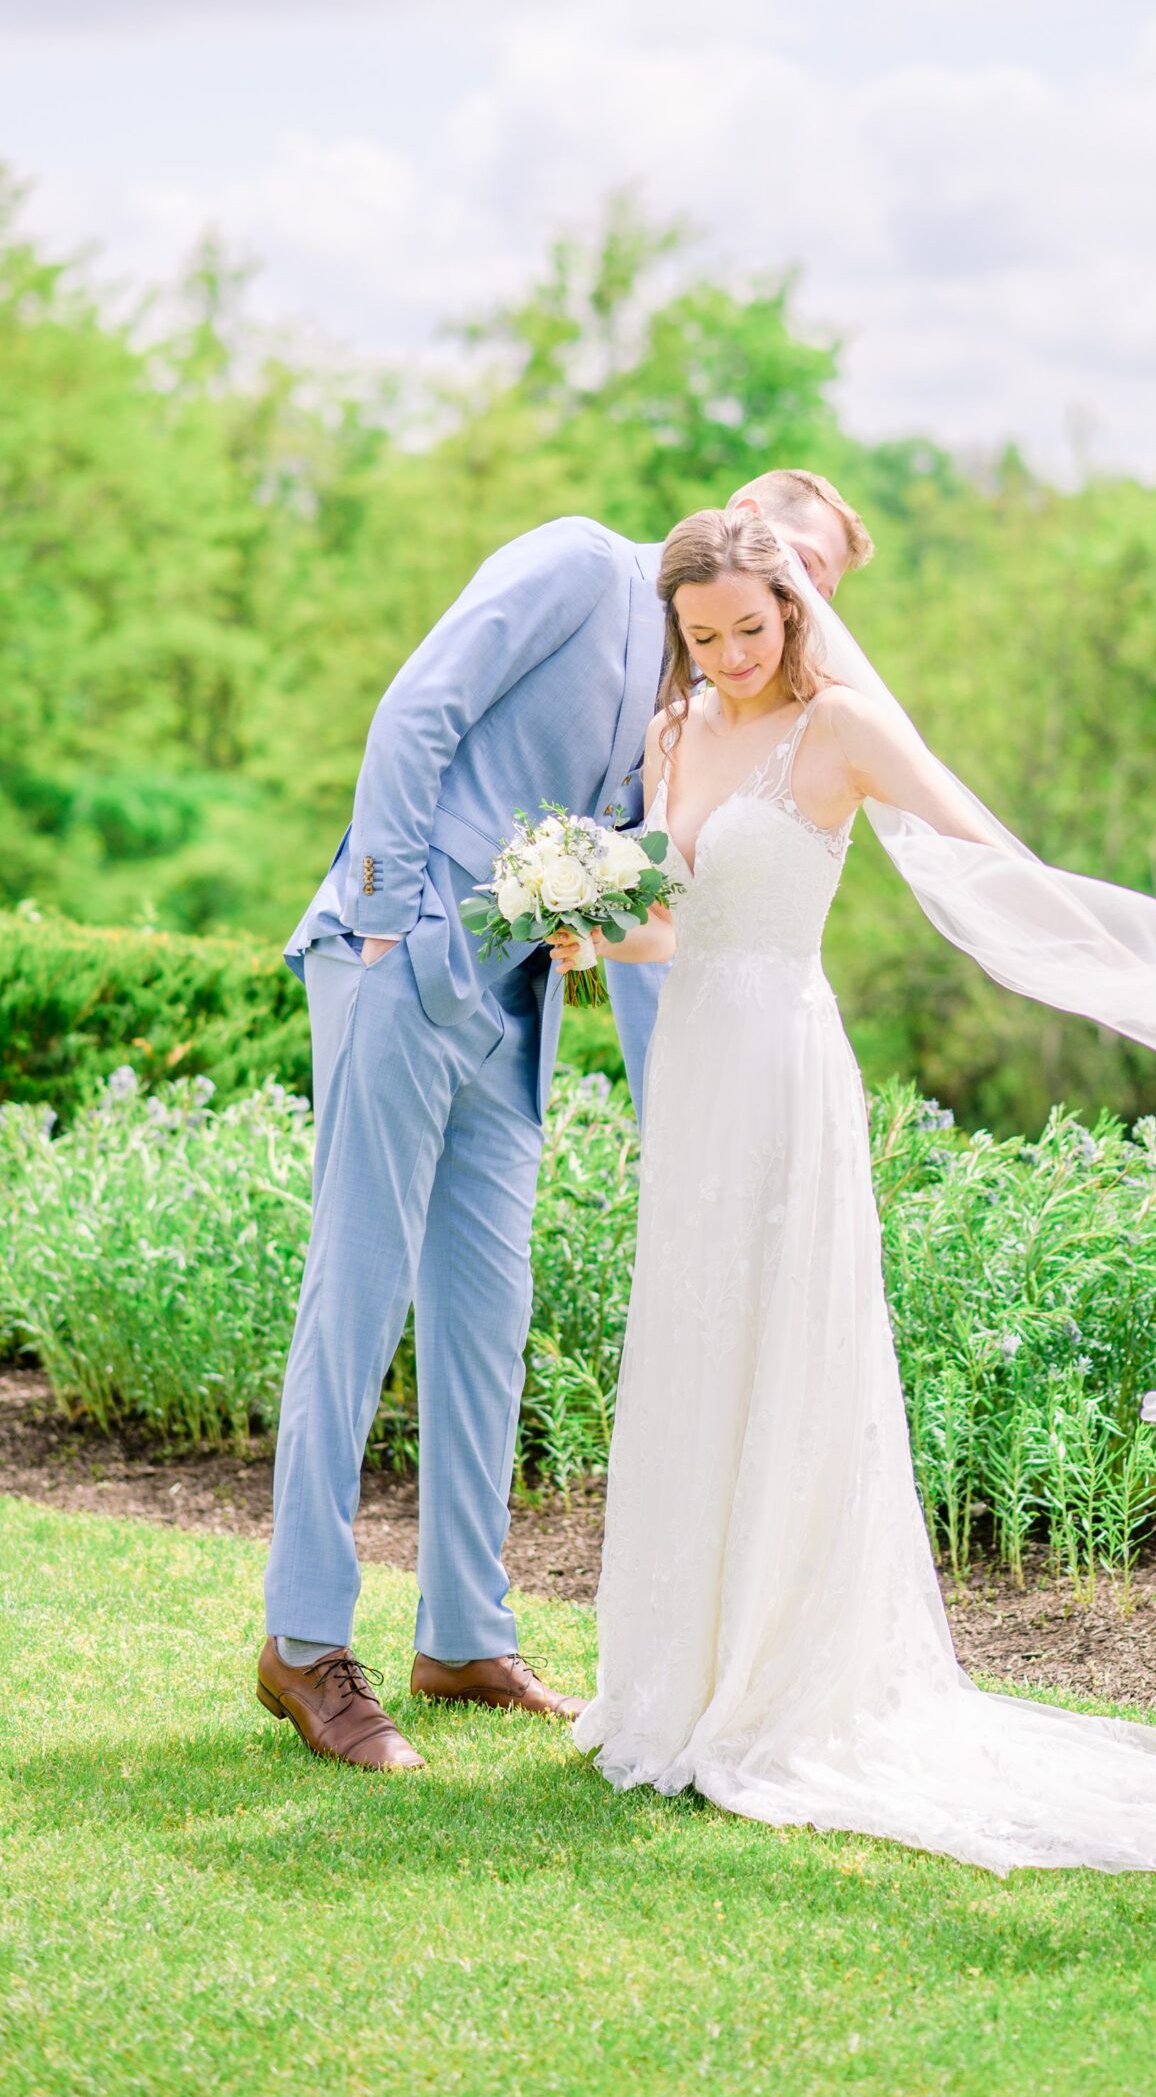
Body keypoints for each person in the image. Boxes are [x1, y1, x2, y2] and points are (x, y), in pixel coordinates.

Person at [569, 505, 1156, 1877]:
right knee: (697, 1341)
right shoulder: (673, 737)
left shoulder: (841, 732)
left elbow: (985, 860)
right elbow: (674, 920)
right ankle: (674, 1681)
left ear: (795, 607)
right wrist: (588, 925)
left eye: (748, 632)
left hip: (782, 1068)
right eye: (701, 639)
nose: (725, 660)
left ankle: (785, 1682)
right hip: (699, 1073)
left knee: (786, 1350)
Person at [256, 471, 869, 1772]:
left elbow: (662, 926)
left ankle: (463, 1637)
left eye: (810, 589)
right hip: (397, 964)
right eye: (786, 562)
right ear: (741, 523)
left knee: (488, 1320)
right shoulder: (577, 564)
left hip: (512, 1017)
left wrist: (689, 1134)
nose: (790, 599)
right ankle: (304, 1647)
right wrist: (385, 919)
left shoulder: (700, 716)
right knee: (355, 1300)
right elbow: (417, 711)